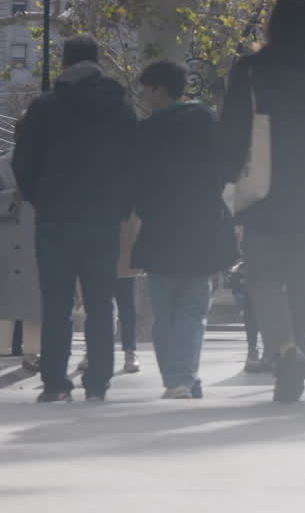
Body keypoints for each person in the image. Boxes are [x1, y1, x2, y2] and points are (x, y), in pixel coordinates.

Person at [219, 0, 305, 403]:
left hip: (264, 189)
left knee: (263, 280)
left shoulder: (251, 68)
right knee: (304, 283)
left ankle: (286, 352)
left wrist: (225, 176)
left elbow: (232, 132)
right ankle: (296, 365)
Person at [14, 34, 138, 402]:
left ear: (64, 63)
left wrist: (43, 199)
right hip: (102, 218)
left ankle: (55, 383)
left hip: (56, 218)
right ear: (98, 62)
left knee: (56, 303)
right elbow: (135, 162)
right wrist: (121, 205)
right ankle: (98, 381)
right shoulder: (120, 107)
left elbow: (24, 163)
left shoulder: (45, 107)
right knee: (101, 303)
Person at [131, 60, 234, 399]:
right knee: (193, 309)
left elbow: (137, 183)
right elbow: (225, 167)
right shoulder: (206, 120)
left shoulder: (145, 131)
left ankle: (176, 377)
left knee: (165, 312)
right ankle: (186, 376)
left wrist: (147, 209)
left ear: (159, 89)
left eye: (145, 89)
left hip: (161, 231)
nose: (143, 96)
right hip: (202, 228)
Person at [0, 152, 41, 373]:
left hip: (39, 240)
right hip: (9, 242)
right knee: (2, 297)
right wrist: (12, 196)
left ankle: (34, 352)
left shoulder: (50, 161)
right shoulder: (2, 165)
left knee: (37, 299)